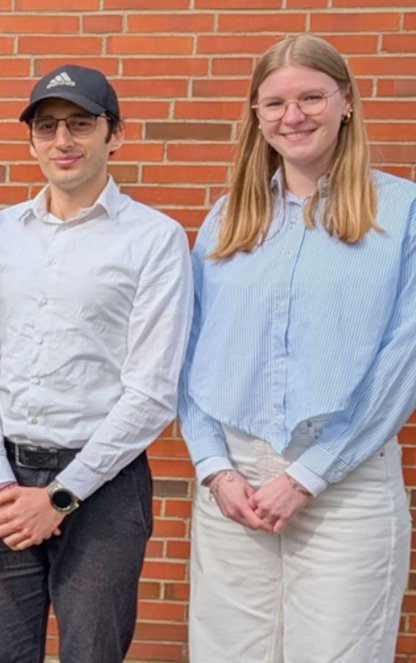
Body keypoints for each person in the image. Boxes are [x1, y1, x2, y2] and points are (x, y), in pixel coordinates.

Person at [180, 33, 416, 662]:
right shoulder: (228, 218)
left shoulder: (402, 211)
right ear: (257, 116)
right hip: (234, 482)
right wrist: (213, 466)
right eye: (275, 103)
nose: (294, 116)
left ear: (346, 102)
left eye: (311, 97)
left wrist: (309, 475)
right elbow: (191, 352)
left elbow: (404, 359)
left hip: (345, 481)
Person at [0, 65, 193, 663]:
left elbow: (153, 390)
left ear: (116, 135)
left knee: (92, 654)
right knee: (3, 655)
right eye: (47, 126)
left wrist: (60, 497)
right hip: (0, 479)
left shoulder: (156, 239)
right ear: (32, 141)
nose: (62, 140)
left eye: (81, 124)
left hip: (102, 486)